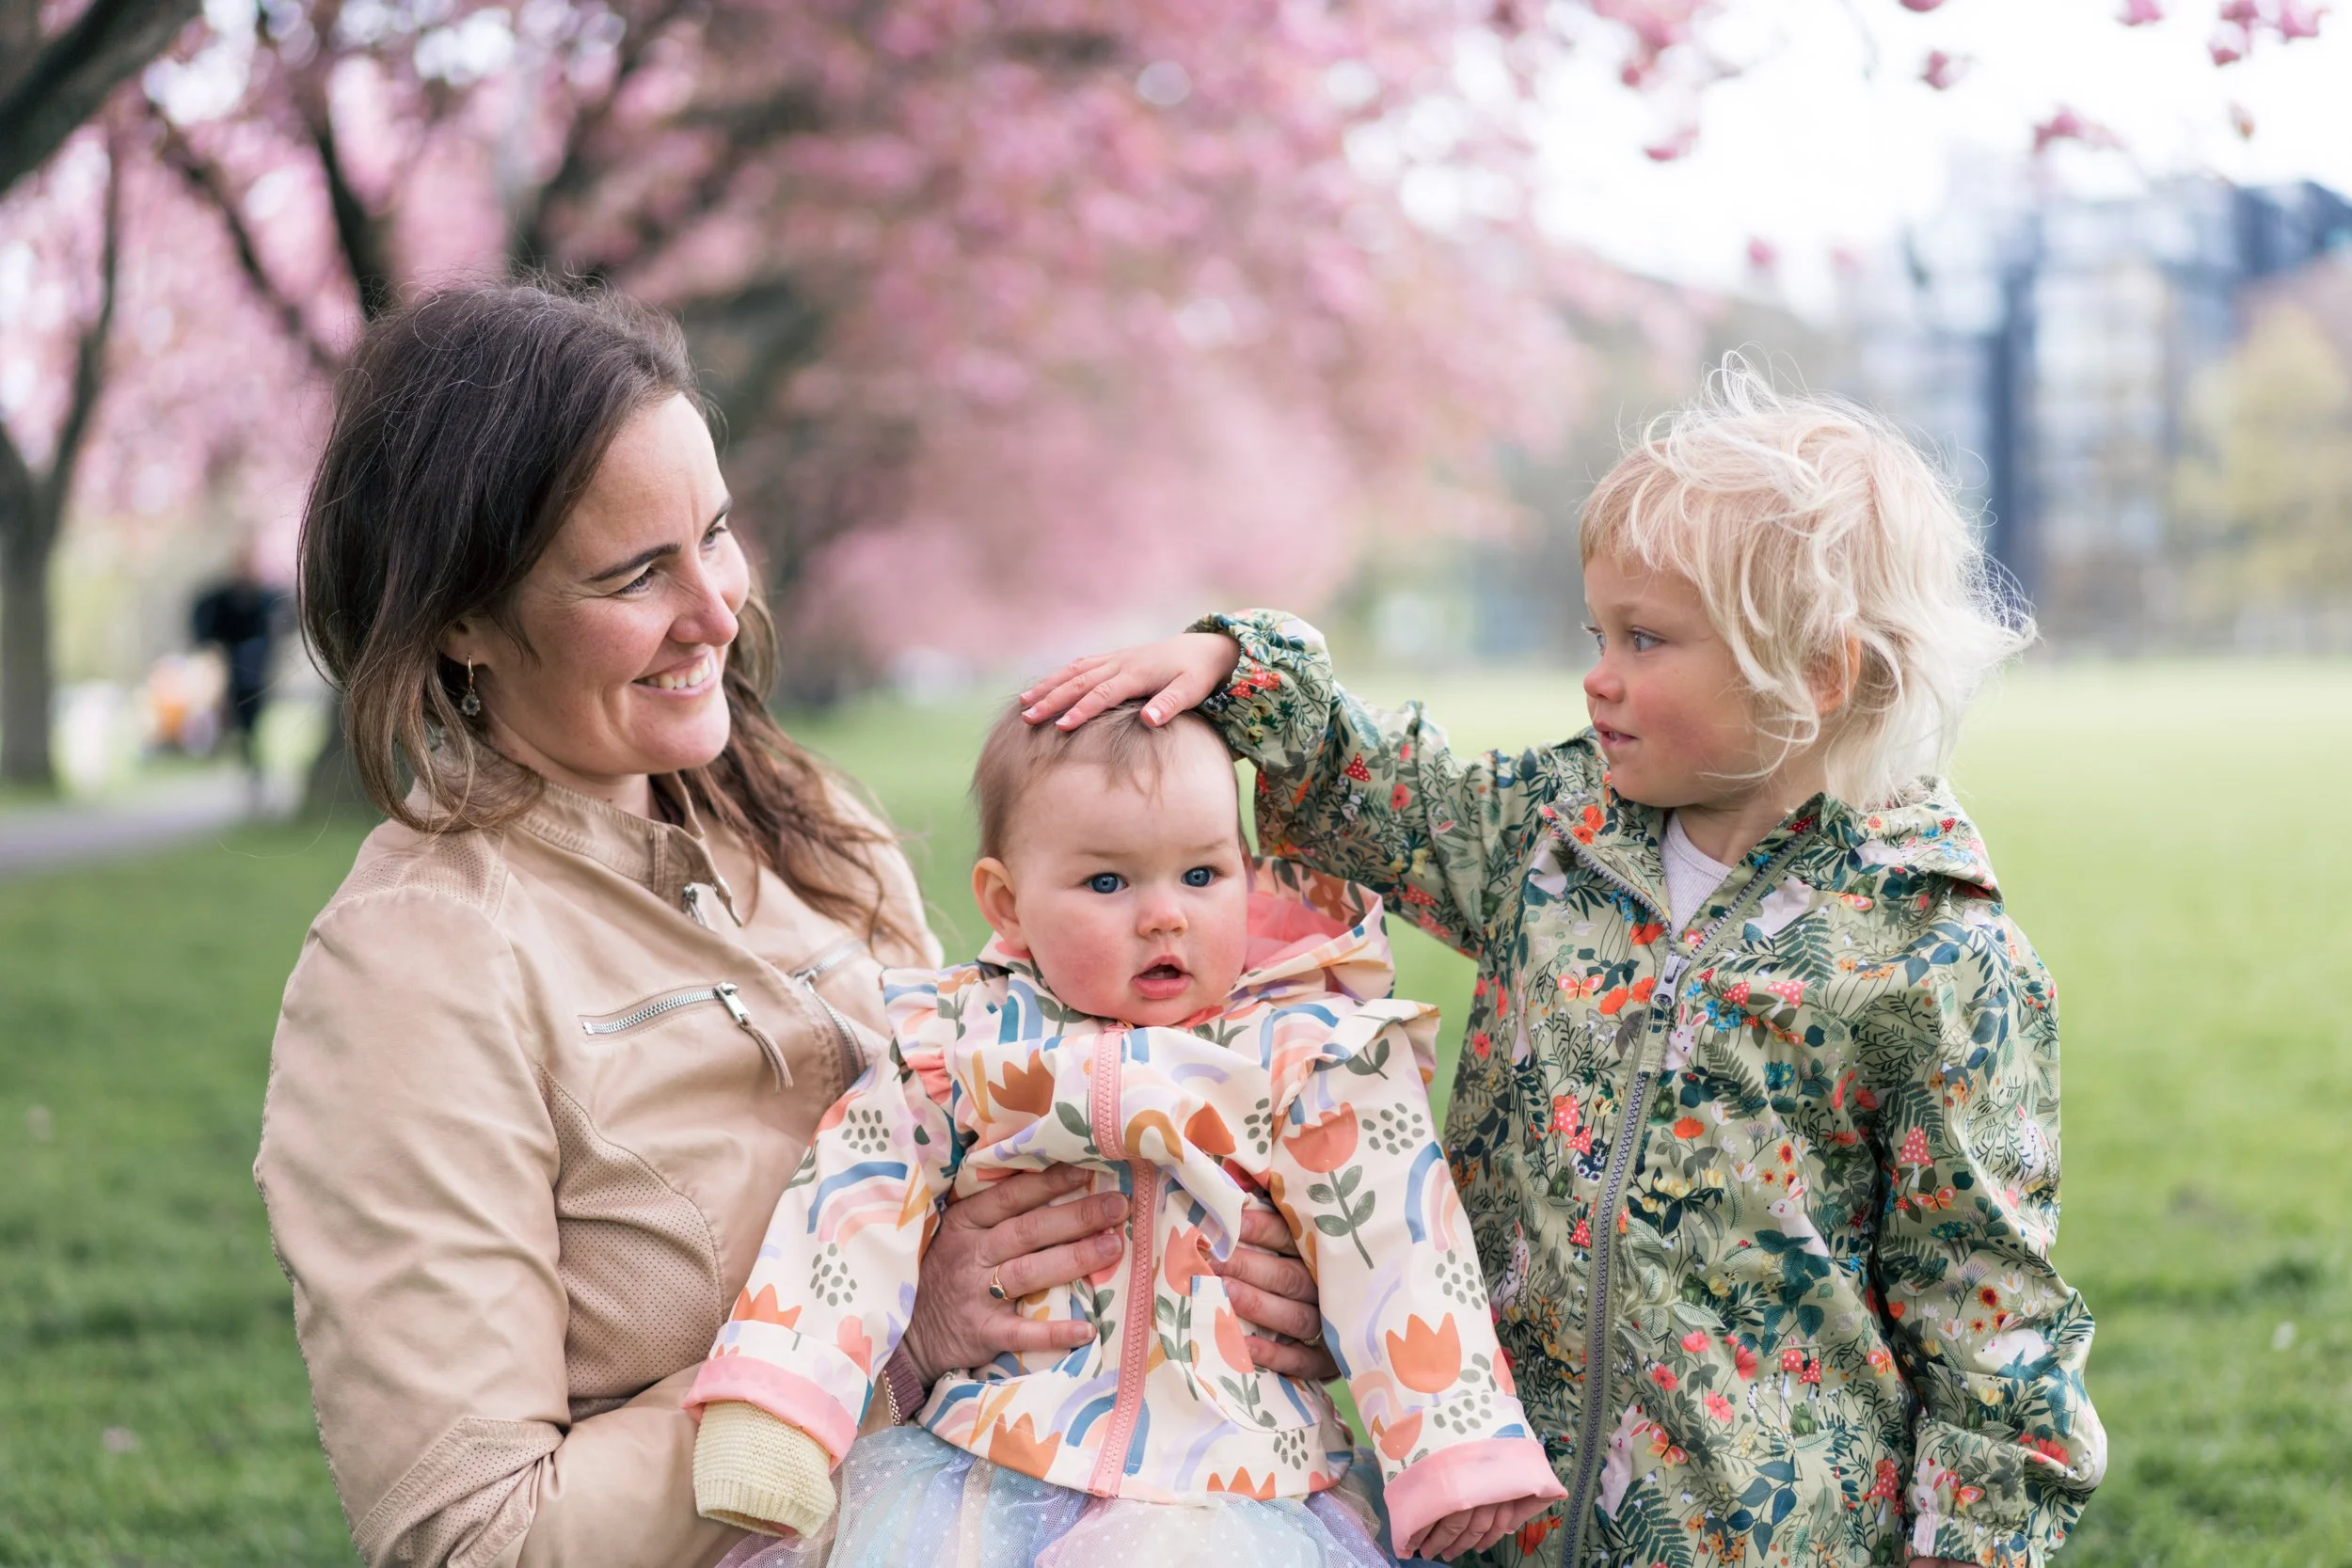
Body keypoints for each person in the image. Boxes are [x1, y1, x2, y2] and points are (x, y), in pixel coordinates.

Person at [255, 281, 1331, 1568]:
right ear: (466, 622)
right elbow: (468, 1531)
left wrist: (1245, 1276)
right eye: (632, 573)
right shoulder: (415, 970)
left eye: (713, 532)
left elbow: (1004, 1117)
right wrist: (880, 1344)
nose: (714, 607)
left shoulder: (803, 816)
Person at [1023, 368, 2106, 1568]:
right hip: (1492, 1505)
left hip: (1763, 1538)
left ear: (1814, 676)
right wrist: (1245, 666)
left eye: (1645, 640)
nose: (1598, 673)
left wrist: (1972, 1547)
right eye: (1599, 632)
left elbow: (1988, 1315)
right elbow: (1370, 785)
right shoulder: (1550, 835)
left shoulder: (1938, 953)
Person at [681, 701, 1566, 1567]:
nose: (1163, 915)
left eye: (1202, 874)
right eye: (1108, 881)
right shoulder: (966, 1037)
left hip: (1232, 1489)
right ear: (1008, 902)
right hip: (988, 1460)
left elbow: (1400, 1237)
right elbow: (850, 1198)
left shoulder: (1307, 1050)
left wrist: (1454, 1444)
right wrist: (785, 1393)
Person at [189, 540, 287, 787]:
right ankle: (244, 757)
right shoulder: (223, 600)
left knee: (252, 720)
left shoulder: (263, 599)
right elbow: (205, 623)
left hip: (257, 673)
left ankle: (251, 760)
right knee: (240, 720)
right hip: (234, 672)